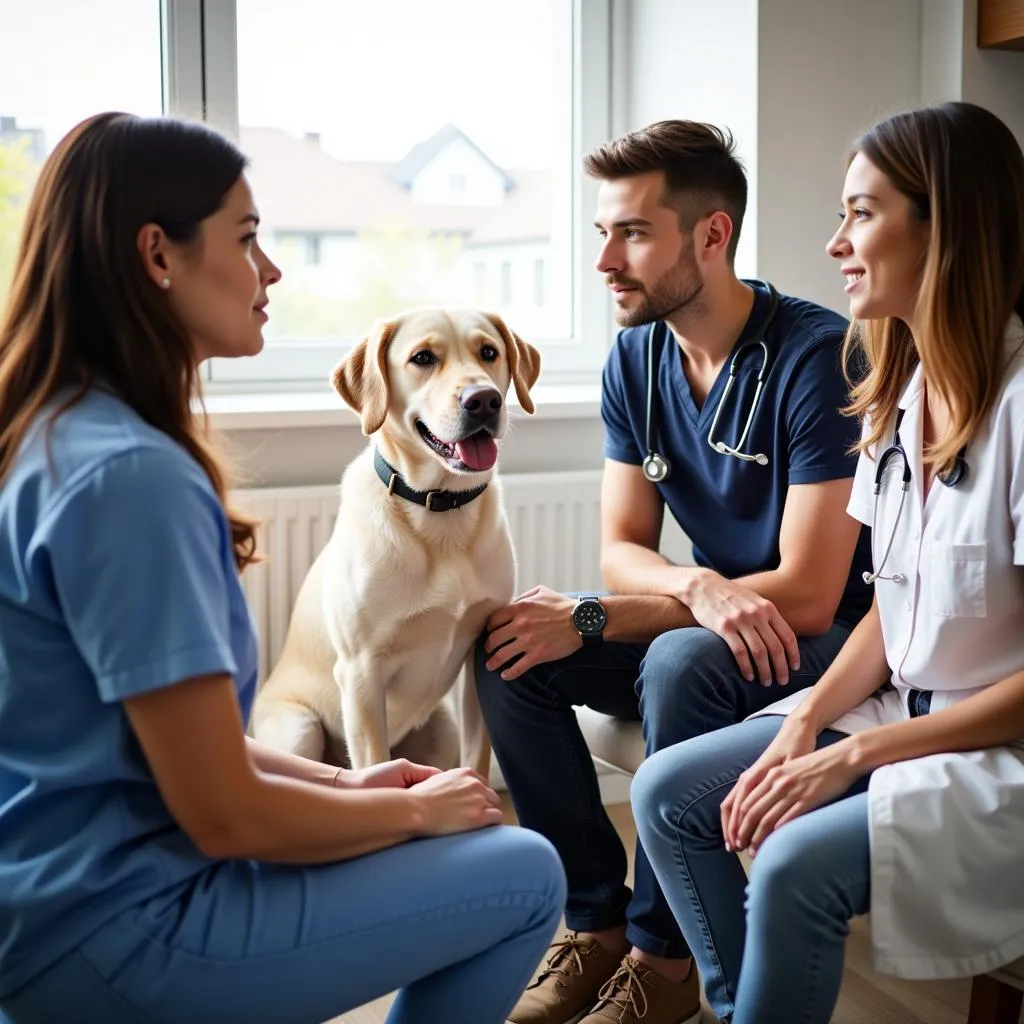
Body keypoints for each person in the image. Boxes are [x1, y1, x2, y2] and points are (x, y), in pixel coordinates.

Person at [0, 112, 566, 1024]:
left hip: (46, 903)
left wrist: (356, 783)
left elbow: (191, 760)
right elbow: (224, 816)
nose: (272, 271)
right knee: (529, 872)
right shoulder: (133, 477)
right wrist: (416, 816)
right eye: (249, 239)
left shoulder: (61, 435)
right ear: (159, 256)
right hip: (123, 927)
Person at [632, 100, 1024, 1024]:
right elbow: (896, 606)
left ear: (948, 225)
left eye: (862, 212)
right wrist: (806, 720)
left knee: (796, 868)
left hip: (995, 748)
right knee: (667, 793)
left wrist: (858, 757)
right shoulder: (900, 397)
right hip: (903, 709)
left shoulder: (1019, 406)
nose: (836, 241)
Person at [475, 119, 874, 1024]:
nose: (606, 260)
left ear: (712, 235)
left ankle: (663, 961)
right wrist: (692, 584)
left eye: (634, 235)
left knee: (679, 661)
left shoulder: (818, 358)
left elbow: (810, 590)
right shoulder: (637, 355)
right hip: (719, 616)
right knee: (508, 641)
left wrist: (615, 614)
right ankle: (596, 927)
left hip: (831, 640)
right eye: (601, 234)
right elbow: (622, 545)